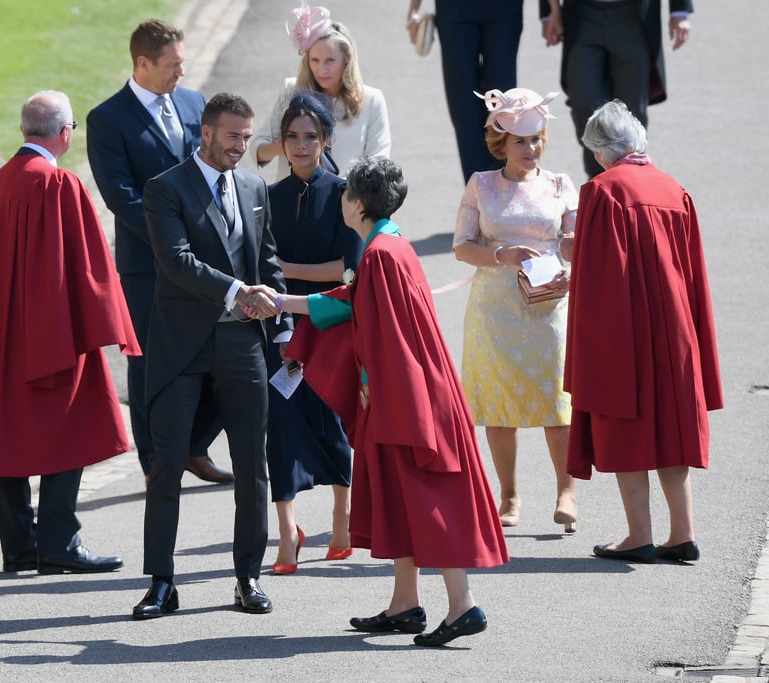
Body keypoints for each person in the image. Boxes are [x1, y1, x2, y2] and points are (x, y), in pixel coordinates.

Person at [275, 156, 508, 647]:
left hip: (407, 398)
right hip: (415, 390)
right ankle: (406, 604)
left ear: (357, 202)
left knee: (427, 497)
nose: (340, 200)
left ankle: (463, 606)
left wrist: (388, 406)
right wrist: (282, 302)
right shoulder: (390, 243)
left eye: (344, 194)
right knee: (404, 498)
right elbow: (350, 302)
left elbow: (385, 335)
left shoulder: (378, 254)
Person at [0, 90, 140, 575]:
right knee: (66, 429)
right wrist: (109, 325)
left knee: (2, 434)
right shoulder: (59, 185)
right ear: (65, 132)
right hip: (51, 334)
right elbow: (89, 269)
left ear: (25, 131)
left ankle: (19, 547)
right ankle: (58, 543)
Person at [132, 93, 293, 619]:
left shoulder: (253, 188)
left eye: (247, 138)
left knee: (252, 465)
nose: (241, 147)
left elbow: (267, 262)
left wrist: (284, 327)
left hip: (243, 346)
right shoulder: (165, 188)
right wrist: (235, 292)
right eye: (232, 137)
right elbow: (176, 263)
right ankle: (161, 582)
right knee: (167, 462)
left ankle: (248, 577)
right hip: (182, 347)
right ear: (206, 133)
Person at [566, 100, 722, 563]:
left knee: (626, 425)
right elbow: (694, 273)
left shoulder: (602, 191)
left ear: (600, 151)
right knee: (672, 426)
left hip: (625, 330)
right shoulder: (675, 190)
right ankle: (683, 533)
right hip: (675, 329)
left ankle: (639, 535)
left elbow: (599, 277)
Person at [87, 19, 232, 485]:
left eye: (184, 62)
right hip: (148, 263)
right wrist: (173, 238)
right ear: (143, 63)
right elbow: (119, 196)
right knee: (150, 362)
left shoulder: (192, 103)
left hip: (203, 258)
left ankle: (194, 447)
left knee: (222, 352)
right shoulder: (107, 119)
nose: (181, 72)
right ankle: (156, 464)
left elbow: (212, 168)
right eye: (172, 65)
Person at [452, 87, 579, 533]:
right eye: (522, 140)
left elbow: (578, 241)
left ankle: (566, 489)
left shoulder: (562, 184)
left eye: (537, 138)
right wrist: (500, 256)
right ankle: (509, 494)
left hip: (547, 308)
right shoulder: (482, 185)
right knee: (499, 404)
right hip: (495, 310)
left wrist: (568, 245)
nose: (531, 148)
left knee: (555, 400)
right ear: (501, 143)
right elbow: (462, 247)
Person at [264, 92, 362, 574]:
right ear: (282, 143)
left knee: (334, 422)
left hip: (331, 325)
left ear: (325, 141)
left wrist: (284, 269)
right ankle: (287, 533)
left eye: (310, 137)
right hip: (279, 327)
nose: (300, 146)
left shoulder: (345, 193)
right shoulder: (268, 197)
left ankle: (342, 520)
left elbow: (349, 270)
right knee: (279, 429)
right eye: (292, 137)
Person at [539, 0, 694, 178]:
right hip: (583, 13)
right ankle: (600, 182)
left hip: (633, 15)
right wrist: (551, 11)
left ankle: (629, 182)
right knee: (585, 103)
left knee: (632, 112)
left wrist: (680, 12)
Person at [252, 2, 390, 180]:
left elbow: (378, 161)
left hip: (346, 201)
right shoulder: (292, 90)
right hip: (294, 200)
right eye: (315, 60)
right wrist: (287, 145)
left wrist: (345, 190)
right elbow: (258, 150)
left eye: (330, 60)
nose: (321, 69)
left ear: (346, 61)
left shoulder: (372, 100)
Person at [405, 0, 524, 183]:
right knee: (464, 107)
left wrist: (551, 11)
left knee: (501, 105)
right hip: (455, 8)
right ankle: (477, 193)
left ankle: (503, 189)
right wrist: (414, 9)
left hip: (504, 8)